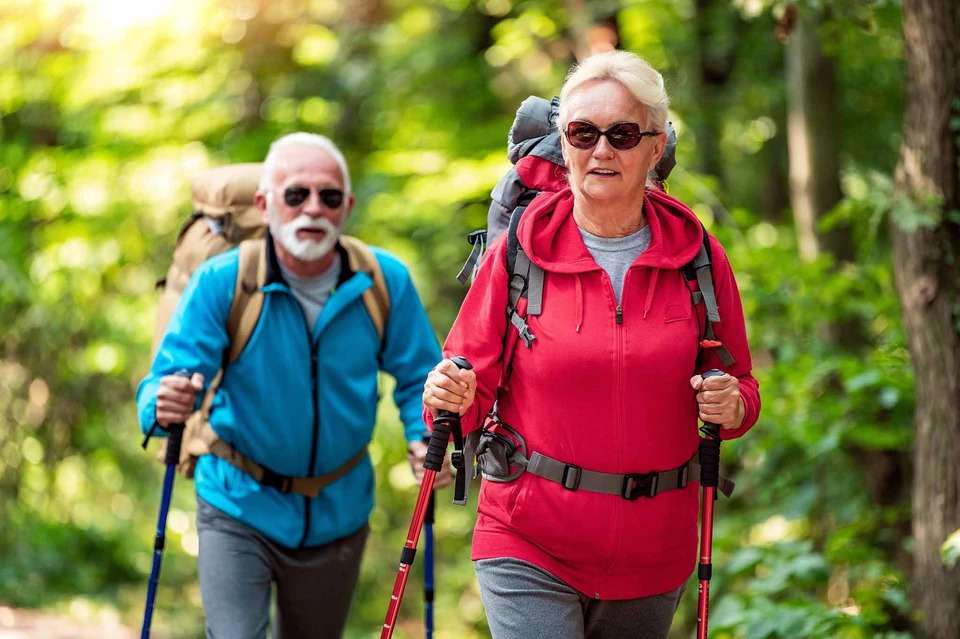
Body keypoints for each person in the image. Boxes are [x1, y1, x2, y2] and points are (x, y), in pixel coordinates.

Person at [422, 51, 761, 639]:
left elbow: (741, 393)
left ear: (656, 148)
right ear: (564, 140)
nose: (601, 150)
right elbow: (459, 393)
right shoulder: (520, 252)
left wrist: (733, 405)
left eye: (623, 134)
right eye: (583, 133)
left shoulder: (698, 257)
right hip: (527, 539)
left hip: (655, 550)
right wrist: (447, 392)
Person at [137, 132, 446, 639]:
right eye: (296, 195)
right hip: (238, 501)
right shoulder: (224, 281)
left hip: (339, 511)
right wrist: (160, 403)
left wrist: (425, 437)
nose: (313, 209)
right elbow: (168, 375)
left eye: (328, 197)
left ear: (346, 207)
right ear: (265, 204)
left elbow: (421, 377)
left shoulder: (383, 281)